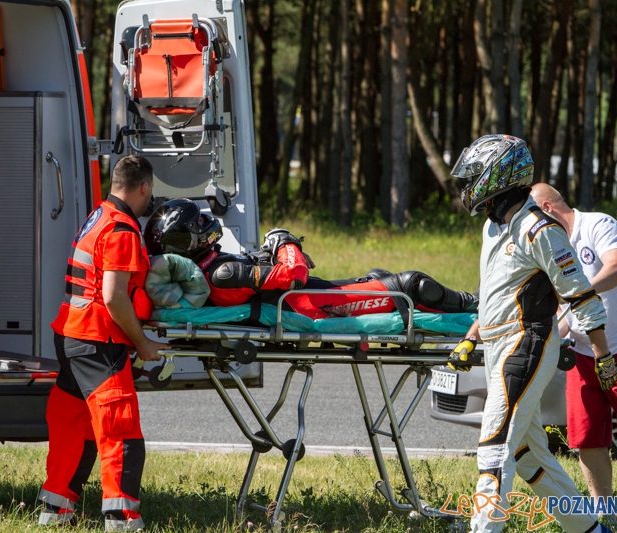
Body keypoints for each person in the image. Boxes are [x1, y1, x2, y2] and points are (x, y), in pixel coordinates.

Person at [449, 134, 617, 533]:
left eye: (475, 175)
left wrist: (604, 355)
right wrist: (472, 335)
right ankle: (591, 529)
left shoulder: (538, 228)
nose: (467, 184)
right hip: (497, 347)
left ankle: (483, 528)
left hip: (526, 343)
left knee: (494, 444)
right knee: (527, 456)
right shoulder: (495, 226)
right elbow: (495, 295)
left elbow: (580, 293)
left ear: (499, 173)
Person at [37, 155, 168, 532]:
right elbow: (113, 296)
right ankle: (122, 519)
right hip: (98, 340)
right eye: (150, 192)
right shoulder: (123, 229)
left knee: (74, 427)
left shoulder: (98, 217)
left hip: (71, 335)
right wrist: (142, 342)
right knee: (120, 429)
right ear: (143, 187)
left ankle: (55, 510)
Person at [143, 198, 478, 320]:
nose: (207, 223)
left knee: (379, 275)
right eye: (198, 223)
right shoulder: (223, 273)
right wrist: (284, 240)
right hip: (315, 306)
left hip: (312, 297)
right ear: (187, 241)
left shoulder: (211, 268)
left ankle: (466, 305)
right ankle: (471, 306)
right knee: (410, 284)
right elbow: (293, 276)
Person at [530, 183, 617, 502]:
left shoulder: (598, 224)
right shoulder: (549, 248)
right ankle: (603, 508)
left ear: (547, 209)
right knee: (587, 436)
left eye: (532, 218)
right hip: (581, 355)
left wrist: (577, 295)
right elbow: (566, 312)